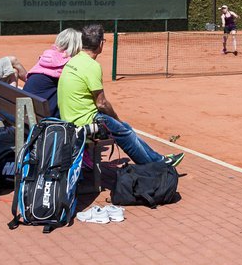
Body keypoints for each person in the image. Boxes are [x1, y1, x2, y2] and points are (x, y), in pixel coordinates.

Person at [58, 23, 183, 168]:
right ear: (100, 44)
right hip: (83, 125)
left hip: (68, 120)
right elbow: (101, 103)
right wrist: (116, 119)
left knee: (125, 128)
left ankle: (158, 159)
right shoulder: (92, 66)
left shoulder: (74, 60)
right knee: (124, 131)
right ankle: (156, 165)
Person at [22, 27, 82, 116]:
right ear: (76, 46)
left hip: (26, 111)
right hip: (40, 117)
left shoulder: (46, 57)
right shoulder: (68, 64)